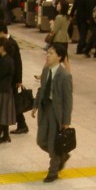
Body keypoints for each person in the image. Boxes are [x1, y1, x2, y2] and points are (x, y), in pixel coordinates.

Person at [31, 45, 73, 183]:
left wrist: (66, 121)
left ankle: (53, 171)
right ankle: (61, 155)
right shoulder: (46, 70)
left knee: (52, 143)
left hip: (57, 113)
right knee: (41, 140)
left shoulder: (65, 75)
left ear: (59, 57)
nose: (48, 55)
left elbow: (68, 100)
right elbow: (42, 88)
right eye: (48, 53)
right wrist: (35, 105)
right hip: (45, 108)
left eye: (51, 53)